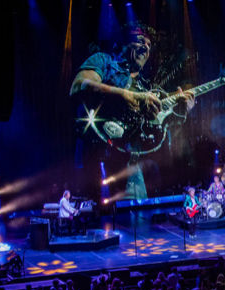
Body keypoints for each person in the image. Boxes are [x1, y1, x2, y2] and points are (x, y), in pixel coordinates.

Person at [70, 22, 195, 199]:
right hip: (94, 155)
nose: (146, 46)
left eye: (149, 45)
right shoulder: (104, 61)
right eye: (140, 41)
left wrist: (180, 111)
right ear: (124, 42)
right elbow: (78, 86)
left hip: (128, 166)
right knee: (93, 219)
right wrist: (124, 95)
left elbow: (154, 130)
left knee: (135, 220)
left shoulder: (147, 87)